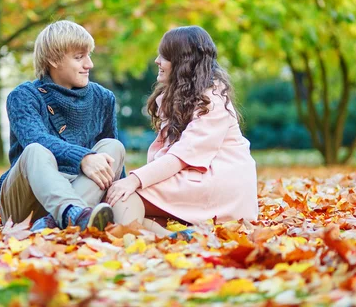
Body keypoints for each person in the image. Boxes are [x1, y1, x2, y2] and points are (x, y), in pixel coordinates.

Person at [106, 26, 258, 237]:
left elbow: (180, 157)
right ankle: (174, 236)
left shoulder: (212, 101)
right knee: (133, 209)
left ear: (183, 62)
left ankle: (152, 238)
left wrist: (134, 180)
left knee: (124, 198)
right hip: (196, 181)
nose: (157, 61)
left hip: (218, 188)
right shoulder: (180, 98)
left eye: (164, 56)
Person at [0, 20, 124, 232]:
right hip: (25, 202)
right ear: (53, 60)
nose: (89, 64)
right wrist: (83, 158)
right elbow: (35, 138)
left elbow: (114, 167)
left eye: (89, 55)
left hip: (82, 195)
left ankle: (59, 221)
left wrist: (123, 196)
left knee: (114, 147)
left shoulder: (103, 98)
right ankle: (68, 213)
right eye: (79, 57)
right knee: (36, 150)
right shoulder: (24, 96)